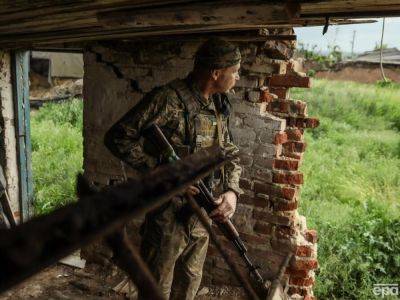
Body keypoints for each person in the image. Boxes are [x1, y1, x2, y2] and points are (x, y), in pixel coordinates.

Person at [104, 38, 243, 300]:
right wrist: (160, 172)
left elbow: (230, 153)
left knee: (189, 283)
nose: (237, 78)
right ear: (216, 72)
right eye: (234, 71)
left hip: (203, 209)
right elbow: (118, 136)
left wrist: (232, 191)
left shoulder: (219, 104)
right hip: (167, 213)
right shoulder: (168, 99)